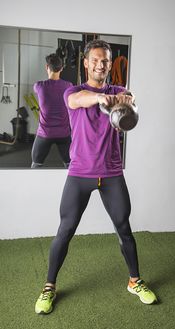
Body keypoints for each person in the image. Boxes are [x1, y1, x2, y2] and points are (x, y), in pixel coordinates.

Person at [35, 40, 157, 314]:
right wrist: (100, 98)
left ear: (109, 64)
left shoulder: (118, 91)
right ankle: (49, 287)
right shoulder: (73, 91)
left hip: (112, 174)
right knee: (65, 230)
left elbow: (131, 97)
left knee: (124, 228)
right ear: (86, 63)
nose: (101, 64)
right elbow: (76, 101)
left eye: (106, 61)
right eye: (96, 60)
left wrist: (126, 99)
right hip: (80, 174)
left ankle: (134, 281)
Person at [31, 53, 72, 168]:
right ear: (62, 68)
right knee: (70, 167)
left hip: (45, 134)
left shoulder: (39, 86)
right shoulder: (69, 86)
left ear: (47, 67)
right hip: (63, 134)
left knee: (35, 165)